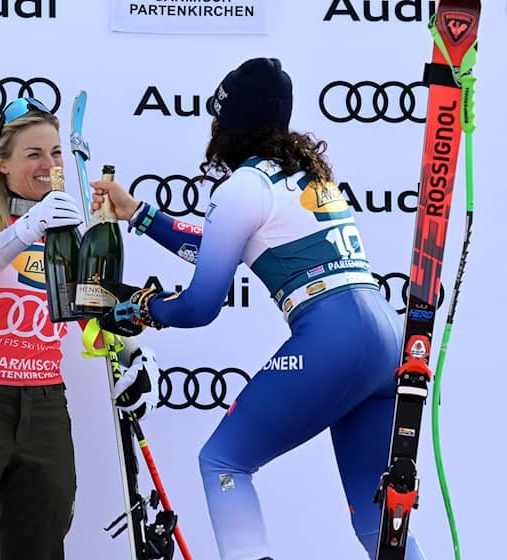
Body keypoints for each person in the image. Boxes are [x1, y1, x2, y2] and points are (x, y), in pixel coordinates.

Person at [92, 58, 426, 560]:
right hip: (385, 340)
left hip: (335, 338)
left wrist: (142, 308)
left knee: (223, 462)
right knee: (378, 521)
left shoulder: (242, 187)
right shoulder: (303, 174)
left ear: (229, 125)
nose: (211, 130)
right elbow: (216, 246)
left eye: (216, 119)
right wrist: (140, 214)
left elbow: (201, 305)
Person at [0, 97, 157, 560]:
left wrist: (133, 351)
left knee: (39, 548)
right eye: (33, 154)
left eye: (56, 152)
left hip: (43, 408)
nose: (48, 164)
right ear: (1, 161)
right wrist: (26, 228)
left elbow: (93, 306)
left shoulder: (67, 232)